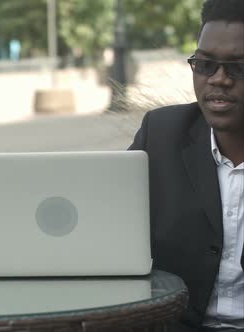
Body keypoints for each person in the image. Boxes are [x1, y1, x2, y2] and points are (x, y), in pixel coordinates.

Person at [129, 0, 244, 330]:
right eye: (205, 64)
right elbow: (102, 213)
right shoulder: (161, 134)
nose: (218, 79)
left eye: (237, 67)